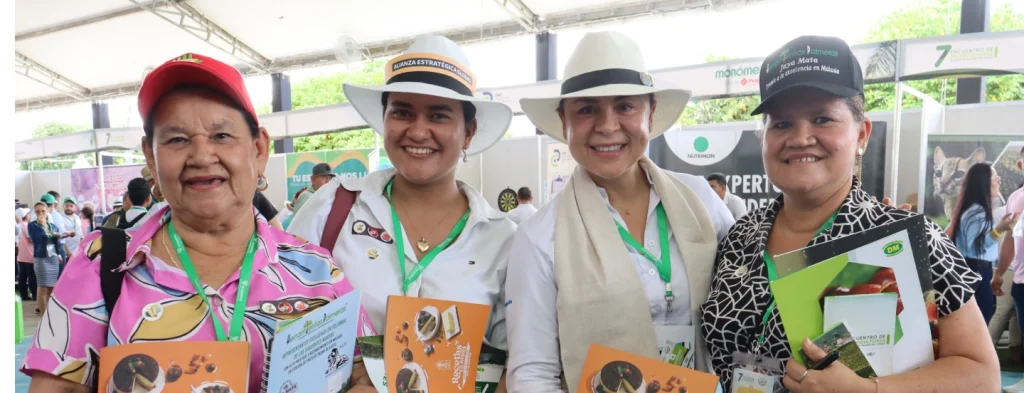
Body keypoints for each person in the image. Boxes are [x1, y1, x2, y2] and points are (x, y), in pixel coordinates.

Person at [21, 52, 373, 393]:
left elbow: (365, 375)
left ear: (259, 150)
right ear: (151, 158)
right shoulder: (102, 264)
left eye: (222, 135)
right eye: (177, 139)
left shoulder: (317, 271)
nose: (202, 156)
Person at [700, 35, 998, 393]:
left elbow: (982, 375)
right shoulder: (738, 238)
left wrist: (870, 390)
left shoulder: (904, 239)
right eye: (781, 124)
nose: (800, 137)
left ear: (862, 134)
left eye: (822, 119)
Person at [504, 31, 735, 393]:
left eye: (625, 106)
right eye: (586, 109)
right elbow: (532, 373)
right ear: (563, 120)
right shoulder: (540, 237)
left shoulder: (701, 200)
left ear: (651, 113)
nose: (607, 126)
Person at [287, 36, 516, 392]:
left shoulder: (502, 239)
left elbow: (513, 365)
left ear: (468, 132)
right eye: (402, 112)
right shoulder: (333, 208)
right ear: (385, 120)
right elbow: (285, 326)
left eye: (439, 115)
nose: (418, 130)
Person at [949, 163, 1019, 324]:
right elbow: (977, 245)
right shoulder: (976, 211)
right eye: (996, 178)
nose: (998, 182)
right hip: (976, 269)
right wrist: (1001, 228)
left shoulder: (973, 209)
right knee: (980, 319)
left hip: (977, 269)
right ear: (984, 183)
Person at [993, 148, 1024, 393]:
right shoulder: (1017, 198)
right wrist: (1000, 271)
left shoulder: (1017, 197)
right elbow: (1012, 240)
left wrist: (1000, 272)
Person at [27, 201, 67, 316]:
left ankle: (49, 311)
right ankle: (43, 313)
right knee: (42, 286)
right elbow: (38, 239)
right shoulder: (33, 226)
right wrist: (42, 225)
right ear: (35, 213)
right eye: (38, 211)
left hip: (53, 258)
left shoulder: (52, 225)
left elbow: (57, 242)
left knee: (51, 286)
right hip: (41, 258)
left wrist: (59, 254)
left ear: (47, 211)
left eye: (43, 211)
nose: (41, 213)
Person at [17, 208, 37, 305]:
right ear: (26, 216)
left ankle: (23, 295)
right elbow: (31, 238)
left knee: (22, 276)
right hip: (29, 255)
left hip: (21, 256)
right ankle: (34, 295)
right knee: (32, 276)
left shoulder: (17, 226)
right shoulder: (26, 226)